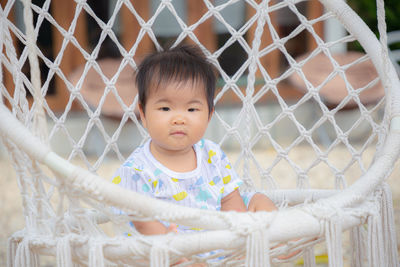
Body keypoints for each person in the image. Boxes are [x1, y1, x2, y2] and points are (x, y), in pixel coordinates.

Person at [111, 44, 281, 263]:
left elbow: (230, 199)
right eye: (165, 109)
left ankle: (269, 244)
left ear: (209, 115)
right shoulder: (137, 170)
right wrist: (175, 250)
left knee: (260, 200)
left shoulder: (212, 154)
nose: (179, 118)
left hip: (217, 240)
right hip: (167, 248)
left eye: (192, 109)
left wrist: (234, 235)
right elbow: (143, 222)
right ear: (143, 114)